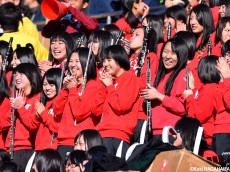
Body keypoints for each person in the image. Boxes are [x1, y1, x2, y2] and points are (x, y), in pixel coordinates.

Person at [92, 45, 140, 158]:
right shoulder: (108, 81)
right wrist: (105, 86)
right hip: (101, 135)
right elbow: (96, 110)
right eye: (104, 61)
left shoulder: (130, 77)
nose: (105, 64)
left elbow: (121, 106)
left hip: (117, 135)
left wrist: (109, 86)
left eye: (109, 60)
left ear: (119, 59)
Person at [52, 47, 99, 161]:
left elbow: (80, 112)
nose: (72, 65)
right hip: (62, 142)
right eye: (71, 61)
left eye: (77, 61)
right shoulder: (69, 87)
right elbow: (57, 110)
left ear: (85, 62)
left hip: (80, 143)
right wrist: (65, 89)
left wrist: (72, 89)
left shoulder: (93, 85)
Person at [140, 37, 188, 141]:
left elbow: (182, 107)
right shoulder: (159, 76)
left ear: (181, 55)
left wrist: (158, 96)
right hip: (153, 131)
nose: (168, 56)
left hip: (170, 132)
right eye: (165, 52)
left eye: (173, 53)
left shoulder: (182, 73)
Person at [6, 63, 42, 171]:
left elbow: (33, 125)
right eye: (15, 74)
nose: (17, 77)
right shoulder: (16, 98)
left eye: (21, 74)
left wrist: (21, 108)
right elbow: (3, 124)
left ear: (31, 76)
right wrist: (14, 108)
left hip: (26, 149)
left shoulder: (38, 98)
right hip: (11, 149)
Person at [183, 55, 221, 146]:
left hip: (207, 138)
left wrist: (189, 97)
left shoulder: (209, 88)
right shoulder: (211, 87)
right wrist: (193, 89)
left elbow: (198, 115)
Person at [34, 68, 62, 151]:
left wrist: (43, 113)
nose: (47, 88)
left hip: (52, 150)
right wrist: (37, 116)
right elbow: (32, 128)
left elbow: (57, 127)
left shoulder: (61, 103)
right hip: (39, 149)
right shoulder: (43, 102)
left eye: (52, 85)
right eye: (45, 84)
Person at [214, 51, 230, 164]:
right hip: (220, 130)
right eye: (227, 55)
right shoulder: (225, 78)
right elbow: (218, 106)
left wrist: (227, 78)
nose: (227, 58)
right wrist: (222, 80)